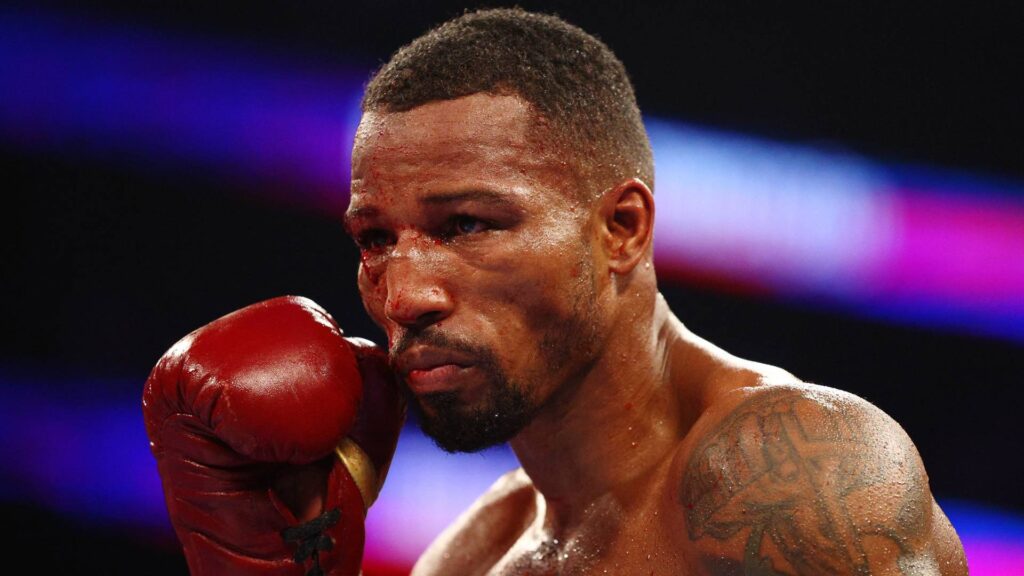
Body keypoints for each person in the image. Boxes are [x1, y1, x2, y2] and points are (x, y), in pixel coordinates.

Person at [144, 7, 968, 575]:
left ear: (621, 229)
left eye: (468, 224)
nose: (404, 295)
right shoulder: (468, 558)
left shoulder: (787, 478)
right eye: (376, 240)